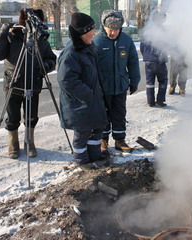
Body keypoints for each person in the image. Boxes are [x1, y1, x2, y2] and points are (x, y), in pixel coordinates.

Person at [0, 9, 57, 159]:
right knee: (12, 117)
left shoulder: (40, 39)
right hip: (13, 83)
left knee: (31, 116)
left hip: (33, 84)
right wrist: (3, 32)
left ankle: (29, 141)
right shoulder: (12, 36)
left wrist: (44, 67)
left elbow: (52, 59)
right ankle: (13, 143)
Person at [57, 12, 107, 166]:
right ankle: (82, 161)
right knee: (83, 132)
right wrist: (87, 94)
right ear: (82, 33)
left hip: (92, 99)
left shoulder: (88, 47)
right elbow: (66, 80)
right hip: (80, 103)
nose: (94, 33)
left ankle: (95, 156)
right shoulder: (72, 53)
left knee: (97, 128)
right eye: (91, 30)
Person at [93, 10, 140, 155]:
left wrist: (134, 80)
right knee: (103, 114)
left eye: (116, 29)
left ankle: (120, 140)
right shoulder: (96, 41)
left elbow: (133, 62)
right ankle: (103, 140)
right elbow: (91, 67)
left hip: (120, 85)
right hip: (103, 87)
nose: (113, 32)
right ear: (104, 26)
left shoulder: (126, 40)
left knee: (119, 113)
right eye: (110, 29)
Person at [140, 12, 168, 107]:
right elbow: (167, 46)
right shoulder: (164, 31)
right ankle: (160, 100)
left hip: (149, 61)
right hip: (160, 61)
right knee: (163, 81)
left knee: (149, 82)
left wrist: (146, 56)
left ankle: (150, 101)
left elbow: (142, 46)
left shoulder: (147, 30)